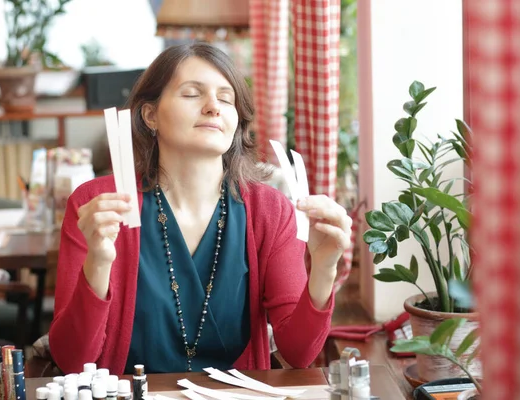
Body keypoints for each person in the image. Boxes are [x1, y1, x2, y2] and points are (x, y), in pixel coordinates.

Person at [49, 43, 352, 375]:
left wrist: (324, 268)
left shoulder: (270, 211)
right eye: (192, 94)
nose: (213, 108)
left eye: (226, 98)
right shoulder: (97, 206)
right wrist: (98, 263)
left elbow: (298, 355)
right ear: (150, 115)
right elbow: (73, 362)